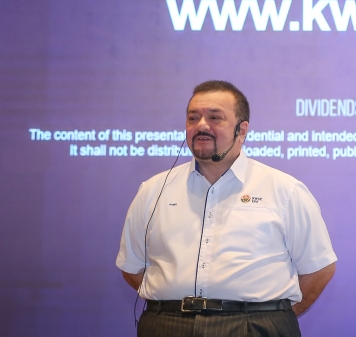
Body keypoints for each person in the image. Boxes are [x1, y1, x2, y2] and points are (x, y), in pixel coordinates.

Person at [117, 80, 337, 336]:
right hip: (167, 326)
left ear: (241, 130)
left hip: (254, 327)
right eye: (193, 117)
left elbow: (320, 269)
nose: (201, 125)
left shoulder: (285, 190)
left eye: (214, 118)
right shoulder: (153, 191)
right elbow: (132, 267)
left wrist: (272, 316)